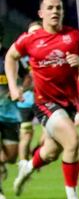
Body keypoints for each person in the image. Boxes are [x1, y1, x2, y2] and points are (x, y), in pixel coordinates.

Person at [5, 0, 79, 199]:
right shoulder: (30, 39)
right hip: (45, 103)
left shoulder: (74, 36)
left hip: (69, 104)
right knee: (72, 141)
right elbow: (10, 57)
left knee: (51, 152)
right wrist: (14, 87)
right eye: (50, 8)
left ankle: (27, 168)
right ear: (41, 13)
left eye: (58, 7)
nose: (55, 11)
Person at [0, 39, 22, 199]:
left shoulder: (12, 56)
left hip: (10, 114)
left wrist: (18, 89)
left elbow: (27, 79)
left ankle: (2, 164)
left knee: (12, 156)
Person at [16, 21, 42, 162]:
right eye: (32, 32)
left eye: (37, 31)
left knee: (51, 133)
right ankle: (23, 165)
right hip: (26, 101)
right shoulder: (20, 56)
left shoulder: (49, 51)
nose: (35, 35)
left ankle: (36, 152)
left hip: (44, 99)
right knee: (26, 134)